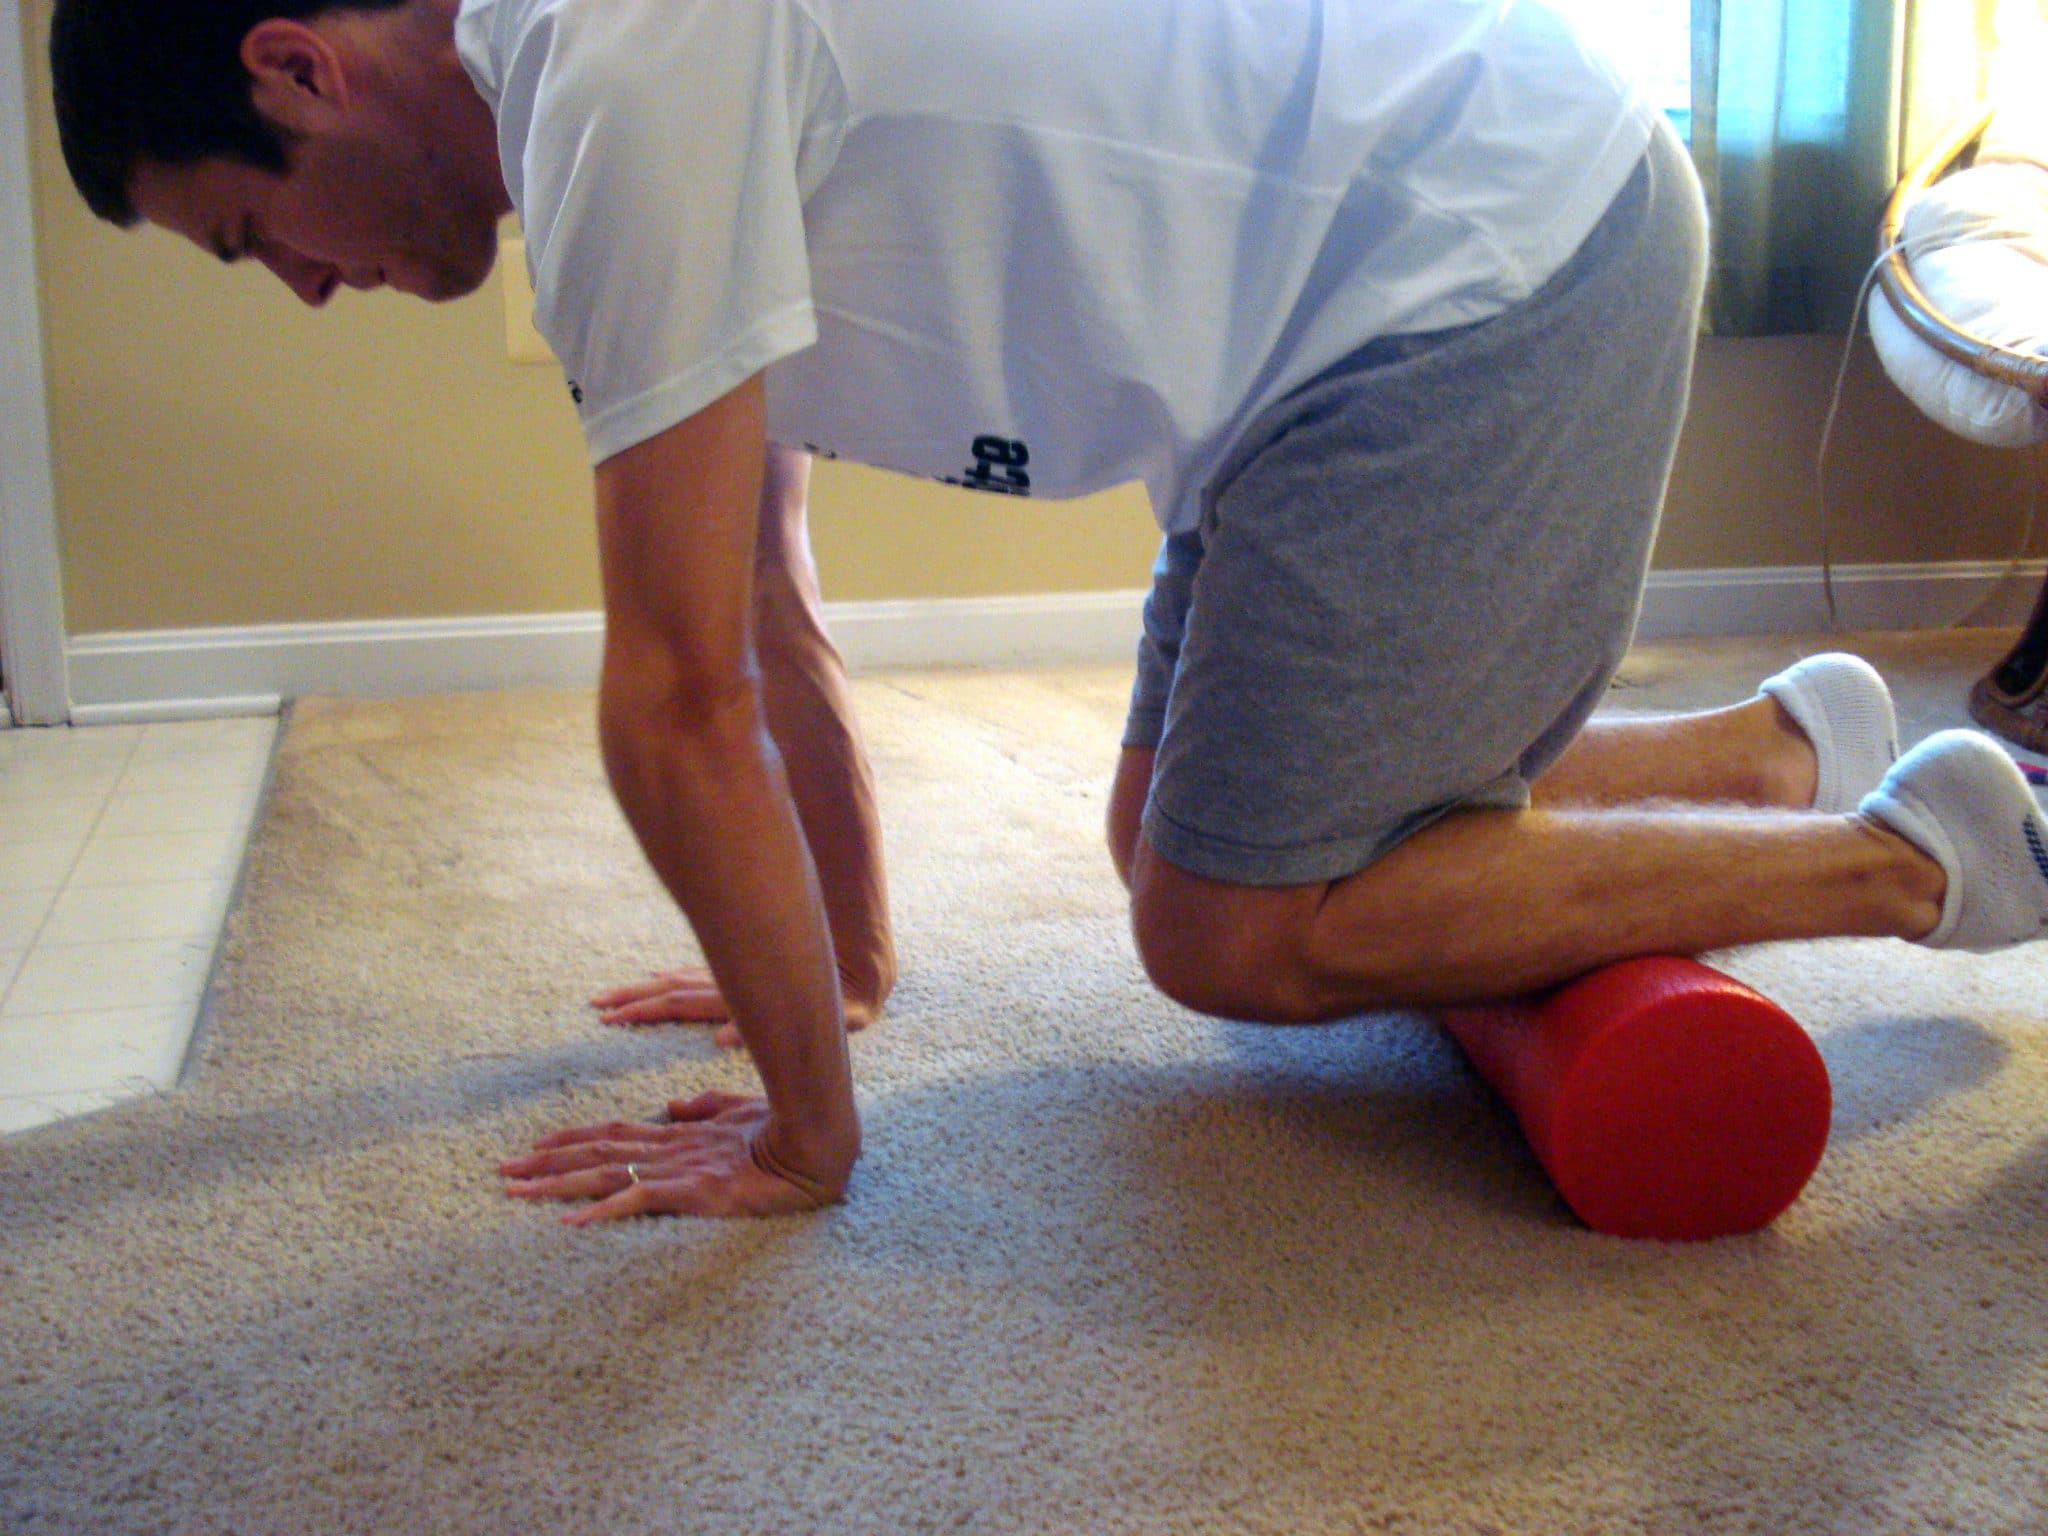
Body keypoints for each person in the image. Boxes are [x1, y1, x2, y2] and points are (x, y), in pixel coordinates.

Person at [51, 0, 2048, 1223]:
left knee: (1226, 927)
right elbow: (764, 606)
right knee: (1160, 832)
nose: (298, 283)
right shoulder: (602, 122)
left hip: (1482, 252)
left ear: (295, 67)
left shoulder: (616, 65)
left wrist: (804, 1147)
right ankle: (1770, 753)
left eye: (248, 234)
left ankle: (1915, 859)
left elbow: (674, 700)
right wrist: (843, 964)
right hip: (1307, 354)